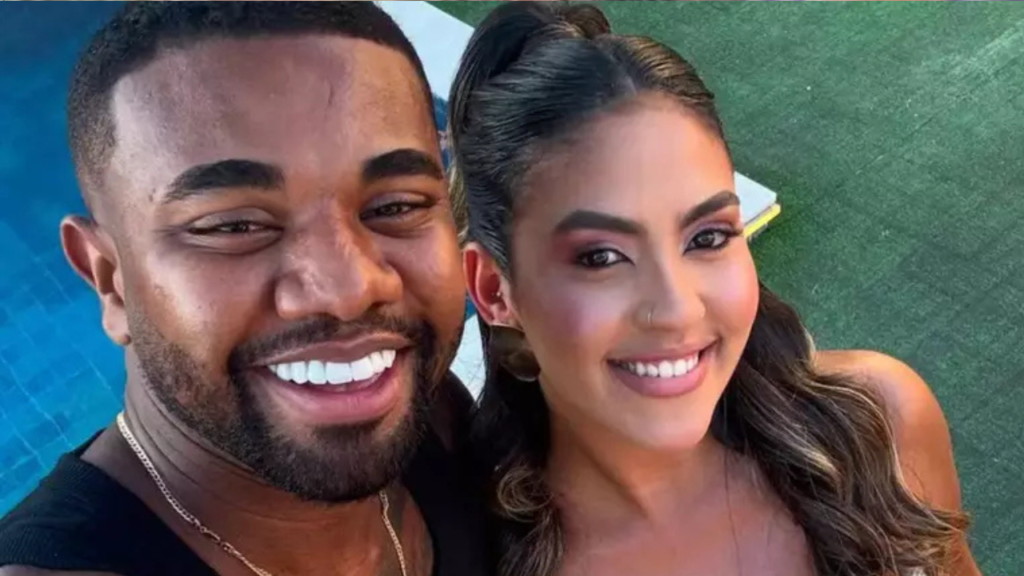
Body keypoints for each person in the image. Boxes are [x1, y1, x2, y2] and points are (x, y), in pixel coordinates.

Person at [448, 3, 981, 576]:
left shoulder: (882, 428)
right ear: (494, 291)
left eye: (706, 237)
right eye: (601, 257)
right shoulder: (471, 557)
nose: (677, 308)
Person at [0, 3, 487, 576]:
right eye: (234, 227)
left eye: (396, 206)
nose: (350, 290)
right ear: (109, 279)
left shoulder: (428, 416)